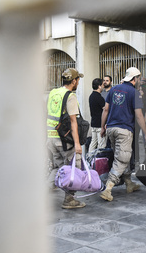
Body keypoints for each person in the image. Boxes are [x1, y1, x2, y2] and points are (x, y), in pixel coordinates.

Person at [99, 67, 146, 201]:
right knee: (122, 158)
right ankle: (108, 188)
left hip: (111, 128)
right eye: (139, 78)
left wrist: (102, 127)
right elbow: (139, 116)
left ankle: (129, 183)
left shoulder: (114, 89)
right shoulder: (134, 93)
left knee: (121, 156)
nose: (139, 80)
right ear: (135, 79)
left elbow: (105, 110)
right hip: (124, 130)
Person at [46, 68, 86, 209]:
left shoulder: (53, 92)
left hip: (51, 138)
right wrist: (77, 144)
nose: (79, 83)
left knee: (58, 168)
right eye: (78, 80)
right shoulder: (70, 96)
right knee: (72, 168)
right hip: (64, 140)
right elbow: (73, 121)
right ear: (74, 81)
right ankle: (69, 199)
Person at [88, 78, 107, 152]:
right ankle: (99, 161)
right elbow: (105, 109)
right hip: (100, 125)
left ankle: (89, 160)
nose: (103, 86)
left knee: (93, 143)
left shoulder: (91, 96)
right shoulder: (99, 97)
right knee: (101, 145)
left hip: (93, 124)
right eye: (102, 84)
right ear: (99, 86)